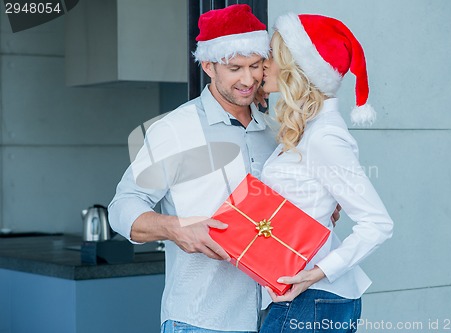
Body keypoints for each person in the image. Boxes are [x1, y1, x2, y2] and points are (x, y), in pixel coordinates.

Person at [109, 5, 340, 333]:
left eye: (256, 66)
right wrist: (177, 228)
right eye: (235, 68)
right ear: (208, 65)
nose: (248, 79)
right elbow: (121, 208)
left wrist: (322, 205)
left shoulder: (276, 131)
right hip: (201, 320)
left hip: (275, 316)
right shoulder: (175, 129)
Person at [258, 13, 394, 332]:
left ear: (298, 69)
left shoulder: (324, 137)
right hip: (303, 298)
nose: (263, 64)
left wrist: (316, 272)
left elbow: (377, 223)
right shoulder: (308, 130)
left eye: (273, 56)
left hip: (310, 299)